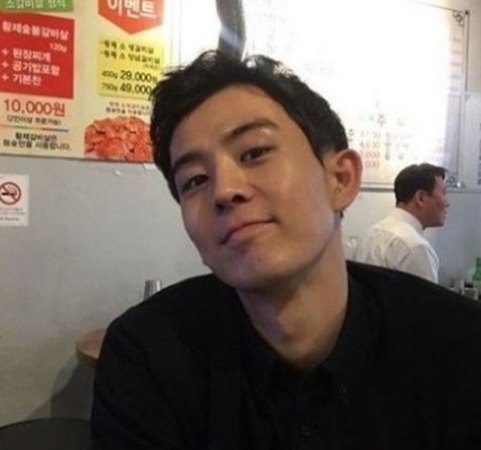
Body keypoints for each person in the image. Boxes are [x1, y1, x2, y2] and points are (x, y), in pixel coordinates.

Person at [91, 51, 481, 450]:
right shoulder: (149, 356)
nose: (224, 190)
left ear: (340, 179)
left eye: (254, 153)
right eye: (194, 180)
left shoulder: (457, 346)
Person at [351, 163, 449, 283]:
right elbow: (425, 296)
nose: (448, 203)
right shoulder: (415, 247)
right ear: (421, 198)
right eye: (444, 193)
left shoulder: (369, 235)